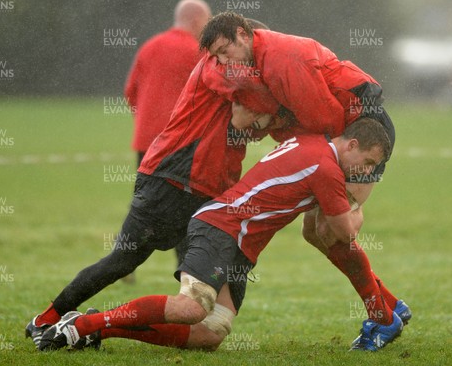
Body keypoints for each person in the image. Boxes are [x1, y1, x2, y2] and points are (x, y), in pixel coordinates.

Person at [39, 118, 403, 353]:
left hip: (237, 246)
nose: (366, 171)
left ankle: (99, 327)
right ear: (351, 144)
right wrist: (358, 207)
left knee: (210, 333)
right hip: (220, 228)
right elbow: (343, 232)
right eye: (368, 163)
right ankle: (83, 325)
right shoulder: (326, 169)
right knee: (190, 307)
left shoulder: (309, 143)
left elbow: (316, 229)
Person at [24, 19, 279, 349]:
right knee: (125, 260)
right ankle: (47, 319)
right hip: (170, 180)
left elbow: (253, 121)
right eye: (258, 51)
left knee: (211, 303)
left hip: (208, 195)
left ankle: (104, 326)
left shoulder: (238, 72)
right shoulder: (216, 66)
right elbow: (253, 104)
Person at [198, 12, 411, 348]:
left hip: (363, 133)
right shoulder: (259, 60)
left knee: (332, 230)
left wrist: (274, 123)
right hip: (344, 132)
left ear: (245, 36)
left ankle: (383, 318)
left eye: (226, 52)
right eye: (217, 58)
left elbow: (328, 120)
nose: (224, 62)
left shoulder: (282, 61)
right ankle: (389, 303)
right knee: (313, 232)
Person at [122, 0, 211, 277]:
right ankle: (186, 268)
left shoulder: (150, 46)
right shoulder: (198, 51)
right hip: (179, 145)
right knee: (185, 206)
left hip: (146, 142)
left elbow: (130, 92)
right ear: (197, 21)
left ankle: (122, 258)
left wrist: (147, 122)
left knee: (142, 203)